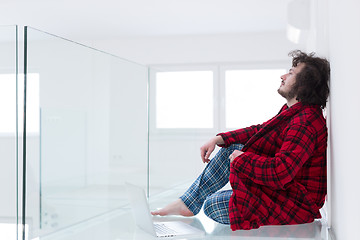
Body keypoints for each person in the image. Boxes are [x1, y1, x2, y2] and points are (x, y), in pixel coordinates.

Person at [151, 50, 331, 231]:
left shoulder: (305, 122)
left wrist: (241, 160)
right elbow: (260, 130)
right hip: (286, 192)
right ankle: (187, 203)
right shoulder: (293, 112)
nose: (283, 76)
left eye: (291, 73)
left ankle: (190, 202)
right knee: (233, 148)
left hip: (297, 204)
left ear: (304, 84)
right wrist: (220, 138)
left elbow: (280, 172)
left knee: (212, 205)